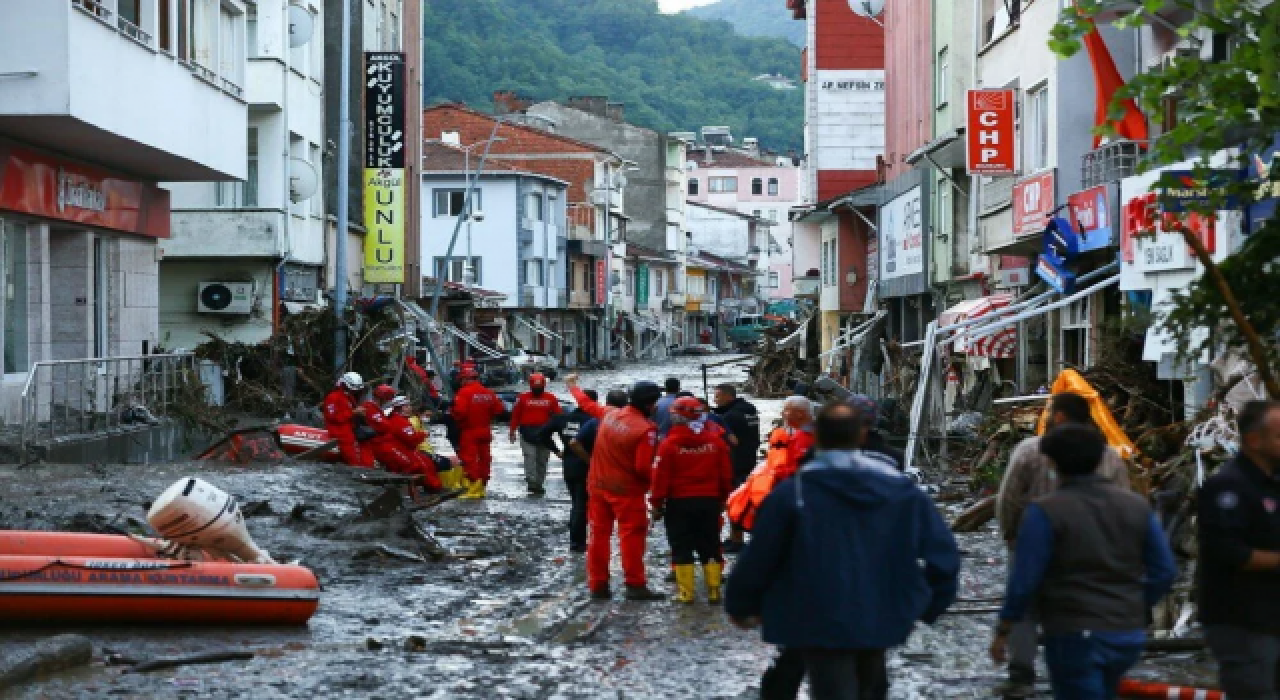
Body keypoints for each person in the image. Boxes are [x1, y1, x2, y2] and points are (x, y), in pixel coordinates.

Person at [726, 401, 960, 700]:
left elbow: (760, 557)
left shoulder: (793, 493)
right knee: (871, 677)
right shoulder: (902, 491)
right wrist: (928, 605)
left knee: (831, 685)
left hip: (815, 611)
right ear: (861, 436)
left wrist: (742, 604)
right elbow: (943, 557)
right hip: (882, 607)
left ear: (818, 436)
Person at [991, 423, 1176, 699]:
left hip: (1073, 633)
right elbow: (1164, 570)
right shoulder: (1135, 506)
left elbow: (1024, 580)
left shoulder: (1045, 512)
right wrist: (1135, 606)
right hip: (1126, 635)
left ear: (1054, 464)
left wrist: (1005, 628)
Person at [994, 391, 1132, 697]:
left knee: (1026, 606)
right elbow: (1125, 504)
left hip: (1033, 542)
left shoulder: (1031, 450)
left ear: (1058, 416)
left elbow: (1009, 498)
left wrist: (1011, 534)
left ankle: (1021, 674)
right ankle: (1089, 668)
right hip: (1092, 547)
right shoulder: (1109, 457)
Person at [1198, 400, 1280, 699]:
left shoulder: (1272, 486)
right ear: (1254, 440)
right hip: (1243, 620)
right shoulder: (1228, 487)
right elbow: (1227, 552)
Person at [566, 374, 666, 601]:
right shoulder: (645, 429)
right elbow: (642, 468)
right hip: (627, 492)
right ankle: (635, 584)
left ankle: (598, 584)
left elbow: (586, 404)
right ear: (650, 404)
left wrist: (572, 386)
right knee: (631, 537)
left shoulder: (610, 415)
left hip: (598, 485)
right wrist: (659, 491)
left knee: (598, 536)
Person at [650, 396, 734, 604]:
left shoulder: (669, 444)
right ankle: (714, 590)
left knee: (681, 546)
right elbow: (726, 475)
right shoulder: (715, 442)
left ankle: (687, 594)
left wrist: (656, 504)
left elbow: (660, 478)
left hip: (679, 503)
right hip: (709, 501)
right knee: (711, 544)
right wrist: (723, 498)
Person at [534, 388, 609, 552]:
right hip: (587, 466)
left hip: (568, 466)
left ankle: (576, 536)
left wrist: (557, 450)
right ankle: (577, 542)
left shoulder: (563, 418)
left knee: (576, 503)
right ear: (594, 403)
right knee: (581, 505)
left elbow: (542, 434)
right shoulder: (594, 420)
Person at [451, 366, 504, 500]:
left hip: (469, 431)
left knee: (469, 460)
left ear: (464, 379)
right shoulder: (489, 392)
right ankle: (482, 485)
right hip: (485, 430)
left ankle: (474, 486)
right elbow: (499, 410)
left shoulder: (463, 393)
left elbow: (460, 413)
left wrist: (452, 414)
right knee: (485, 459)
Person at [509, 373, 563, 497]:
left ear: (544, 386)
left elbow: (559, 417)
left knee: (542, 460)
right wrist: (512, 432)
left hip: (545, 435)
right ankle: (532, 482)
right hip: (527, 433)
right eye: (535, 387)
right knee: (530, 457)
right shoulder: (522, 398)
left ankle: (539, 483)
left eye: (539, 388)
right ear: (530, 386)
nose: (537, 390)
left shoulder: (551, 398)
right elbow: (516, 416)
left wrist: (561, 433)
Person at [374, 396, 443, 491]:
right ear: (399, 408)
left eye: (409, 406)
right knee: (421, 465)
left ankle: (434, 486)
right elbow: (411, 438)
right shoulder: (399, 421)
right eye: (406, 406)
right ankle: (434, 487)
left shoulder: (400, 419)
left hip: (401, 449)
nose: (409, 408)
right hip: (397, 450)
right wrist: (424, 434)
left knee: (426, 462)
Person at [322, 372, 373, 467]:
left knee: (366, 451)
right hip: (341, 433)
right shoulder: (333, 397)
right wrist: (354, 412)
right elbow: (333, 417)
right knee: (353, 460)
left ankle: (367, 468)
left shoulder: (348, 397)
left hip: (351, 431)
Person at [409, 401, 462, 490]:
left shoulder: (419, 422)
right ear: (419, 413)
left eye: (429, 416)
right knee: (452, 462)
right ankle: (446, 486)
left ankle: (452, 485)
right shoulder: (413, 423)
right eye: (427, 415)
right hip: (420, 453)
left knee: (455, 461)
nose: (428, 418)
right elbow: (414, 441)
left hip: (425, 451)